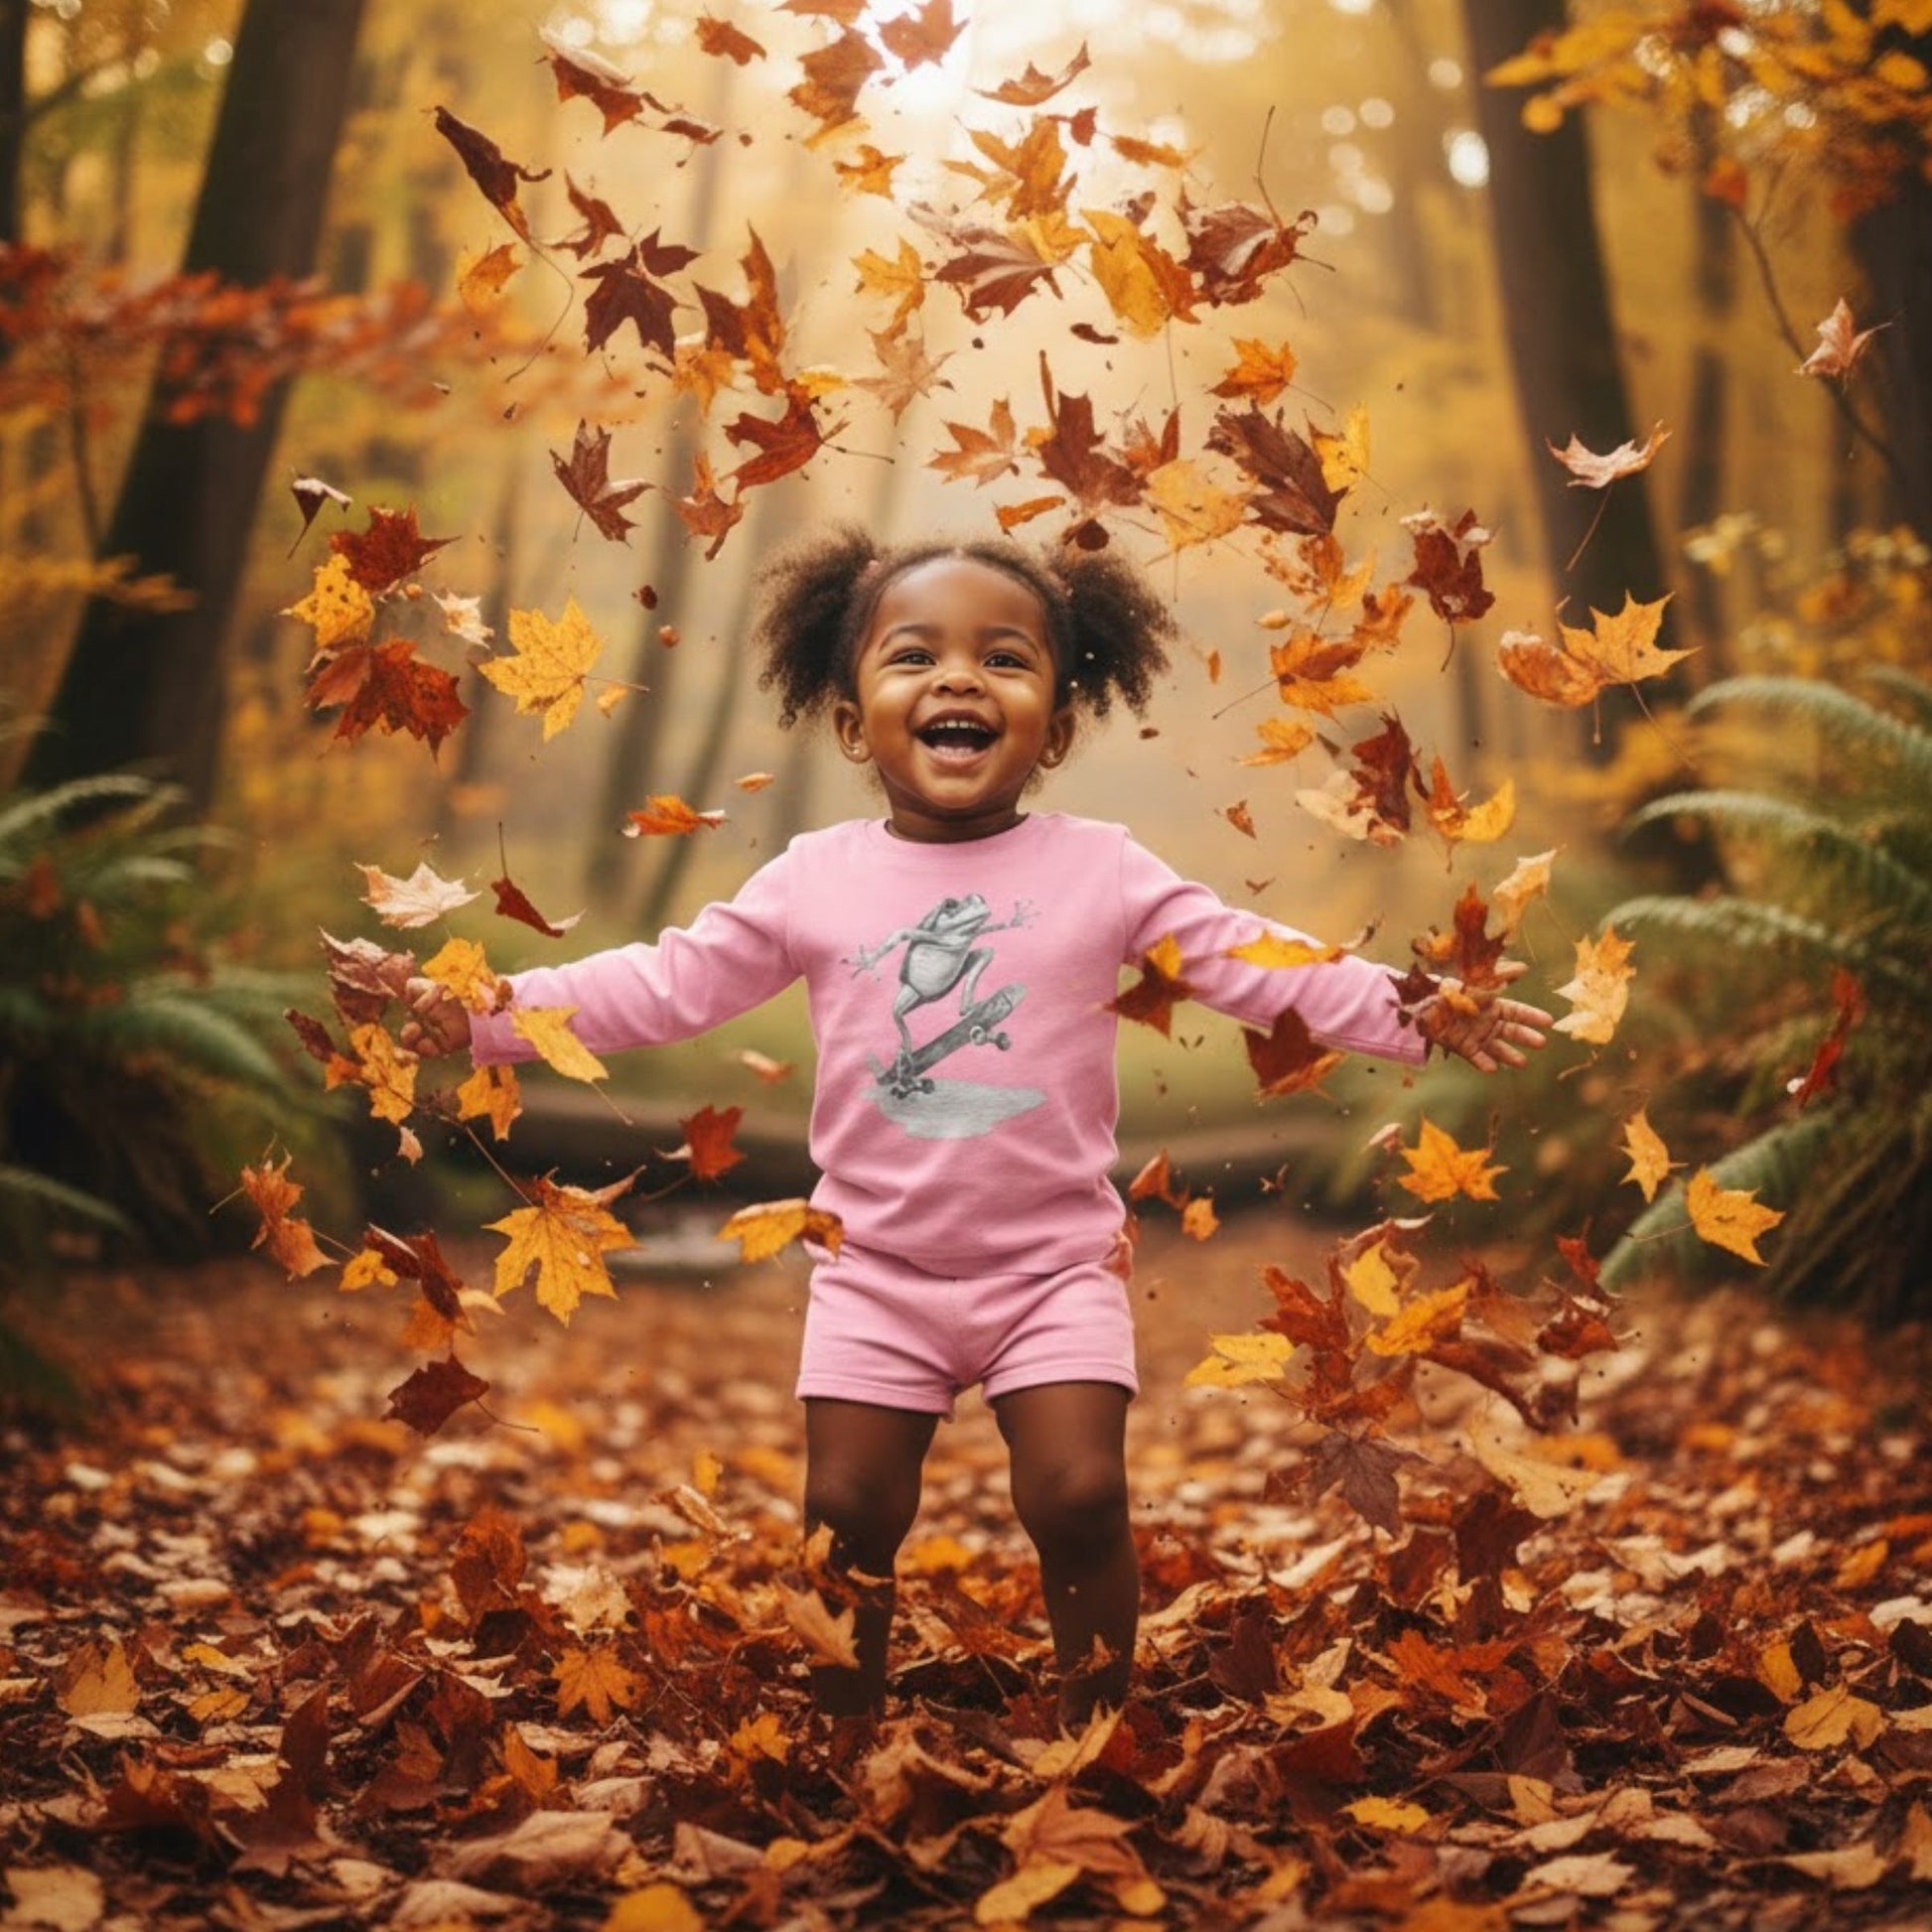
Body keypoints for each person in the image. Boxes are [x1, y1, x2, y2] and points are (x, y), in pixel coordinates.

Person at [401, 526, 1552, 1726]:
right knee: (846, 1510)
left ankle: (1097, 1723)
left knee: (1077, 1496)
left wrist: (1409, 1011)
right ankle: (838, 1734)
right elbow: (662, 981)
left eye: (1003, 659)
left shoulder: (1100, 870)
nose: (957, 679)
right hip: (874, 1271)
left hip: (1050, 1268)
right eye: (913, 657)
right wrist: (482, 1014)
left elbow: (1249, 958)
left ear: (1052, 726)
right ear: (854, 720)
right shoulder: (813, 876)